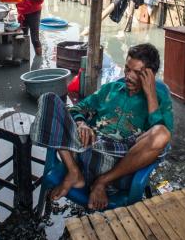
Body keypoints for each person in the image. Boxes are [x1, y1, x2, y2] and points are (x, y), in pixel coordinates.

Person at [30, 43, 173, 210]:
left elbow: (161, 141)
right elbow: (77, 108)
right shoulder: (111, 89)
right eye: (127, 69)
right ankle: (73, 172)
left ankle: (102, 182)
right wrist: (81, 123)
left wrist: (150, 95)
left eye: (138, 73)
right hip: (87, 150)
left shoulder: (161, 99)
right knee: (48, 99)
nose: (129, 76)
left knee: (162, 134)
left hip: (121, 165)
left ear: (150, 75)